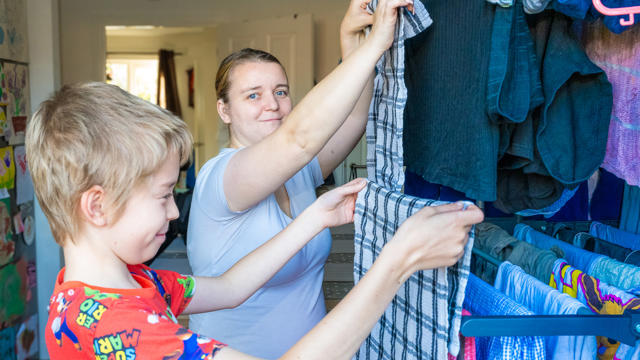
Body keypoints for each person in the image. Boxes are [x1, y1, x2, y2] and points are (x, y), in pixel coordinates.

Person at [29, 80, 483, 360]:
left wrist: (313, 218)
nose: (173, 210)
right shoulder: (115, 325)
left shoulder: (120, 283)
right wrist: (398, 262)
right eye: (164, 195)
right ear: (97, 206)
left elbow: (229, 288)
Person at [186, 1, 390, 356]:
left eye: (281, 91)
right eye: (253, 95)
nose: (273, 104)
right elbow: (297, 140)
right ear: (224, 110)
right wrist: (376, 45)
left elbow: (355, 120)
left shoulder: (298, 171)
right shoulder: (222, 176)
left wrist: (351, 41)